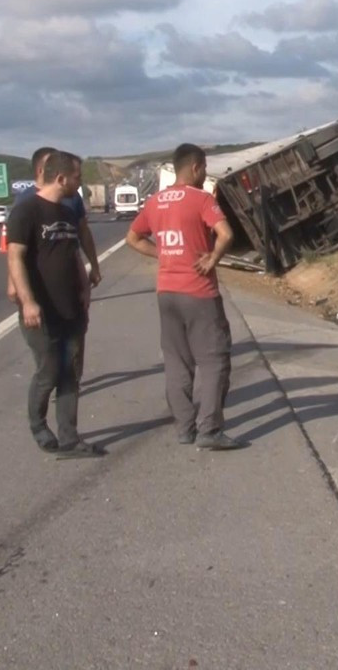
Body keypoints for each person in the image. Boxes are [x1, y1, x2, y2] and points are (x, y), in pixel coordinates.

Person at [125, 143, 244, 451]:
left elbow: (133, 238)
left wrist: (162, 254)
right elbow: (226, 234)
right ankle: (209, 429)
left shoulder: (155, 201)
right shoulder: (201, 199)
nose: (205, 175)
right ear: (195, 167)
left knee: (177, 362)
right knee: (214, 360)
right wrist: (213, 258)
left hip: (167, 292)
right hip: (199, 292)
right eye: (204, 169)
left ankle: (184, 428)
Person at [6, 150, 105, 458]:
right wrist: (28, 301)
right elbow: (15, 257)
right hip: (41, 311)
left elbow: (72, 253)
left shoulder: (66, 212)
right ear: (61, 178)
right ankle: (38, 425)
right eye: (78, 177)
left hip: (72, 308)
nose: (80, 183)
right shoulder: (27, 210)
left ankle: (69, 438)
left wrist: (85, 286)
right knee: (49, 371)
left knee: (71, 373)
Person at [7, 146, 100, 305]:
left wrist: (93, 266)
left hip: (69, 277)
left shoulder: (72, 197)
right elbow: (16, 248)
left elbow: (82, 233)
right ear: (41, 170)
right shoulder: (25, 202)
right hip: (40, 282)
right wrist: (12, 282)